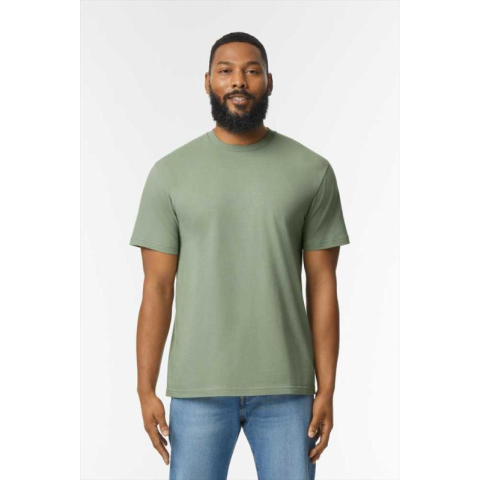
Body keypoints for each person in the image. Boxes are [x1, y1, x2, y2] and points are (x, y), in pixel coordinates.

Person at [130, 32, 350, 480]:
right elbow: (157, 287)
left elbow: (322, 284)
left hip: (288, 390)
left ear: (269, 81)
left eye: (251, 71)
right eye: (225, 71)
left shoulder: (312, 171)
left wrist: (326, 387)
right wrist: (144, 387)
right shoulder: (170, 174)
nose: (238, 81)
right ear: (207, 81)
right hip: (198, 388)